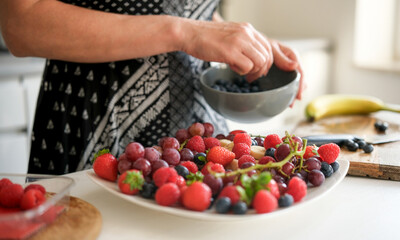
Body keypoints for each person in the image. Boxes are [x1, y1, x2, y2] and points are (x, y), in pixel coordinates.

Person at [0, 0, 304, 175]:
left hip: (197, 138)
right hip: (95, 128)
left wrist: (240, 39)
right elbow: (22, 25)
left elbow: (183, 8)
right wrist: (183, 32)